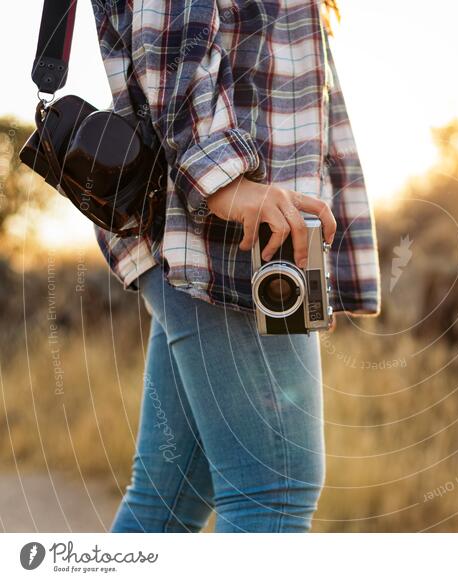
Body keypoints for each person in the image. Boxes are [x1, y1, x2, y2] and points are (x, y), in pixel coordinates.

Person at [91, 0, 380, 532]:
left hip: (234, 236)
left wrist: (319, 272)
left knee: (169, 498)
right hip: (227, 241)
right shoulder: (230, 205)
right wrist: (226, 182)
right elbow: (168, 37)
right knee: (274, 490)